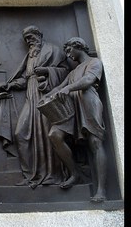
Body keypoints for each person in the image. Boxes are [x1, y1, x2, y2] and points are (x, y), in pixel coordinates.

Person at [0, 25, 69, 186]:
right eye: (26, 38)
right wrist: (9, 86)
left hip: (47, 96)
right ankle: (30, 176)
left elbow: (65, 72)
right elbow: (26, 79)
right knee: (21, 133)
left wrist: (47, 71)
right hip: (30, 97)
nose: (29, 40)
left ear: (39, 35)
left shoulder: (53, 50)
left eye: (31, 36)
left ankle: (52, 175)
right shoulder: (30, 56)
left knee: (48, 135)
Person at [44, 38, 107, 202]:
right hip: (70, 107)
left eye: (69, 50)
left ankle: (101, 190)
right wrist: (47, 96)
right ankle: (75, 173)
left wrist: (68, 88)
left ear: (78, 46)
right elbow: (60, 87)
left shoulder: (94, 63)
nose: (68, 54)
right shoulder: (72, 73)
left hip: (88, 102)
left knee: (95, 143)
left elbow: (87, 80)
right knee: (54, 135)